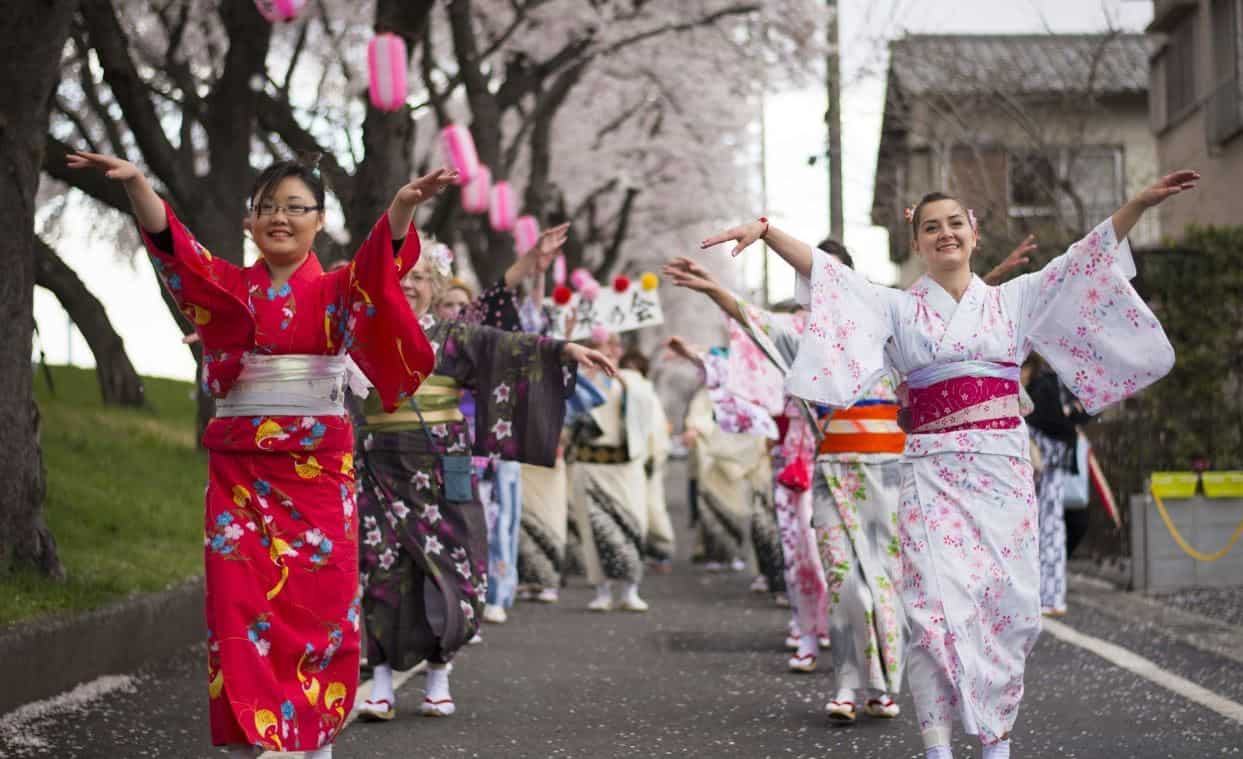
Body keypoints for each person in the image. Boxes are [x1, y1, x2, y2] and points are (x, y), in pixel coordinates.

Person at [703, 171, 1195, 758]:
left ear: (973, 232)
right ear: (916, 243)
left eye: (954, 224)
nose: (944, 235)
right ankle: (937, 748)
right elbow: (831, 277)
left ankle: (996, 742)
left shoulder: (1015, 299)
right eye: (930, 228)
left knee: (1009, 614)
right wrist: (767, 232)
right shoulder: (897, 309)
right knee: (931, 610)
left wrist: (1135, 206)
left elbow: (1080, 263)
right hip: (932, 472)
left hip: (1003, 474)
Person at [68, 150, 454, 758]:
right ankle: (258, 735)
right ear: (249, 222)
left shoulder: (336, 288)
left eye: (296, 207)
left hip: (318, 474)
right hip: (240, 475)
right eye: (267, 207)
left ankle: (314, 736)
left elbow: (382, 265)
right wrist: (140, 184)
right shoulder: (228, 286)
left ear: (319, 220)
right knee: (239, 606)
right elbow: (178, 253)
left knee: (318, 607)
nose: (280, 218)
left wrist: (403, 205)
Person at [352, 244, 615, 720]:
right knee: (381, 570)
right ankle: (383, 681)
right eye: (398, 275)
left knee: (453, 567)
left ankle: (438, 674)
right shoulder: (363, 332)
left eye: (419, 276)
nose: (408, 284)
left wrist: (561, 351)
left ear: (435, 287)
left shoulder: (455, 337)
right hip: (380, 466)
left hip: (443, 465)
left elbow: (507, 348)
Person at [571, 330, 665, 612]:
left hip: (624, 466)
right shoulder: (578, 377)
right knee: (593, 529)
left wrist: (623, 382)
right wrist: (585, 379)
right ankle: (602, 589)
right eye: (603, 344)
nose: (611, 349)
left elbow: (647, 410)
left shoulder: (633, 379)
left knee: (632, 524)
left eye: (615, 344)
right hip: (591, 466)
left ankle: (629, 589)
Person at [1023, 354, 1090, 617]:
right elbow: (1075, 419)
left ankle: (1047, 596)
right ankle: (1050, 595)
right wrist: (1072, 413)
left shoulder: (1043, 385)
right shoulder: (1061, 382)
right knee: (1051, 531)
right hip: (1054, 465)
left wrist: (1066, 414)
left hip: (1046, 465)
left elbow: (1043, 418)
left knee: (1046, 530)